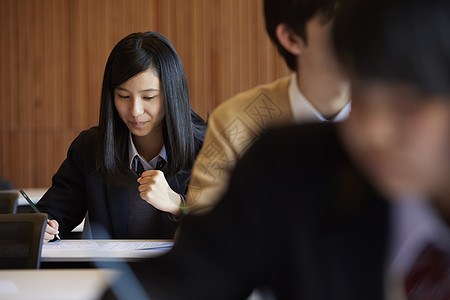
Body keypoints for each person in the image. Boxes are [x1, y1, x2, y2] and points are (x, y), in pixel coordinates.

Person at [120, 0, 450, 299]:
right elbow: (170, 283)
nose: (374, 133)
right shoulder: (286, 165)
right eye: (361, 99)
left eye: (406, 106)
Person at [36, 32, 206, 243]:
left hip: (185, 275)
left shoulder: (208, 147)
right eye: (123, 96)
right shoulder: (90, 148)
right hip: (112, 274)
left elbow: (229, 230)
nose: (135, 110)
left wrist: (177, 204)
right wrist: (45, 226)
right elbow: (52, 213)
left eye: (148, 97)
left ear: (172, 94)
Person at [186, 0, 350, 214]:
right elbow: (202, 232)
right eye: (343, 20)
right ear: (292, 37)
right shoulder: (235, 123)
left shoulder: (401, 116)